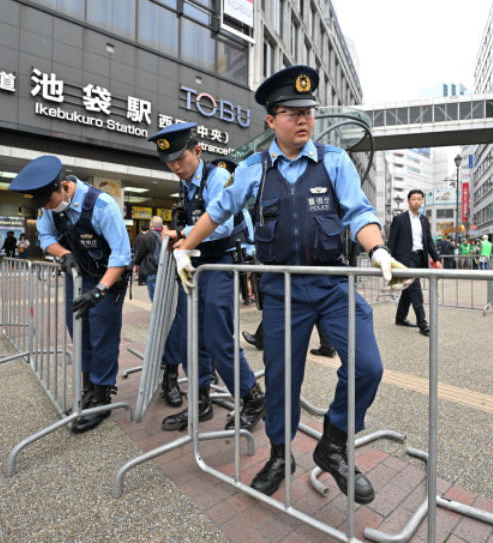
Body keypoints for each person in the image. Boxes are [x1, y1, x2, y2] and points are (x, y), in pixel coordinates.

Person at [173, 65, 412, 503]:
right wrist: (184, 248)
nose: (303, 119)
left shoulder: (334, 162)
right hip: (281, 290)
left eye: (308, 111)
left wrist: (379, 251)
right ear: (270, 120)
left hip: (331, 282)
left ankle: (334, 445)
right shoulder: (253, 169)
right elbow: (219, 211)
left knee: (368, 367)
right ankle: (280, 456)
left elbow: (359, 213)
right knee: (283, 380)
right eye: (291, 112)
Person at [147, 123, 266, 432]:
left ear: (197, 151)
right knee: (191, 336)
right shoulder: (187, 184)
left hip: (222, 263)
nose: (174, 166)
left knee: (217, 337)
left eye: (179, 158)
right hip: (199, 264)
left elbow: (223, 225)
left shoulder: (218, 178)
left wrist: (183, 233)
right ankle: (200, 403)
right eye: (168, 161)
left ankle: (253, 397)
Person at [9, 157, 131, 433]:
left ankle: (101, 399)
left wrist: (99, 292)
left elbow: (122, 256)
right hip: (78, 278)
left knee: (103, 336)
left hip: (107, 279)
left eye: (50, 203)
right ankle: (88, 390)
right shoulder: (50, 207)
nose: (48, 209)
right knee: (79, 332)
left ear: (64, 187)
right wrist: (63, 254)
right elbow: (45, 237)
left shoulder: (103, 206)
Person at [387, 189, 442, 336]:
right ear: (408, 201)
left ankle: (400, 317)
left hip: (419, 258)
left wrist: (436, 258)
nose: (416, 201)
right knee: (415, 289)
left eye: (419, 199)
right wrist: (389, 261)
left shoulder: (424, 220)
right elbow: (391, 242)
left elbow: (429, 241)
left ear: (422, 201)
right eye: (413, 199)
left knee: (408, 289)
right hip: (405, 259)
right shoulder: (399, 219)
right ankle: (422, 324)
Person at [132, 216, 164, 302]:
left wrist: (136, 265)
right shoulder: (168, 235)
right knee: (165, 296)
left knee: (155, 297)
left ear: (151, 225)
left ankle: (157, 315)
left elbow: (141, 253)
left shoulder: (147, 236)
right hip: (167, 270)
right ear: (162, 225)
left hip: (152, 270)